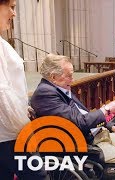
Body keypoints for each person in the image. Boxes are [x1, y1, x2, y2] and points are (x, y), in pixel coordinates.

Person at [31, 54, 115, 180]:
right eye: (69, 75)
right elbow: (79, 122)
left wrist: (112, 128)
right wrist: (108, 108)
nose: (73, 79)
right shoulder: (45, 94)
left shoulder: (60, 87)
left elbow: (84, 114)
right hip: (87, 145)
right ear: (53, 76)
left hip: (98, 134)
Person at [0, 0, 48, 179]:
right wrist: (26, 130)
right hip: (10, 135)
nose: (14, 14)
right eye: (11, 7)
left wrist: (24, 109)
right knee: (40, 177)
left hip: (8, 133)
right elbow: (2, 95)